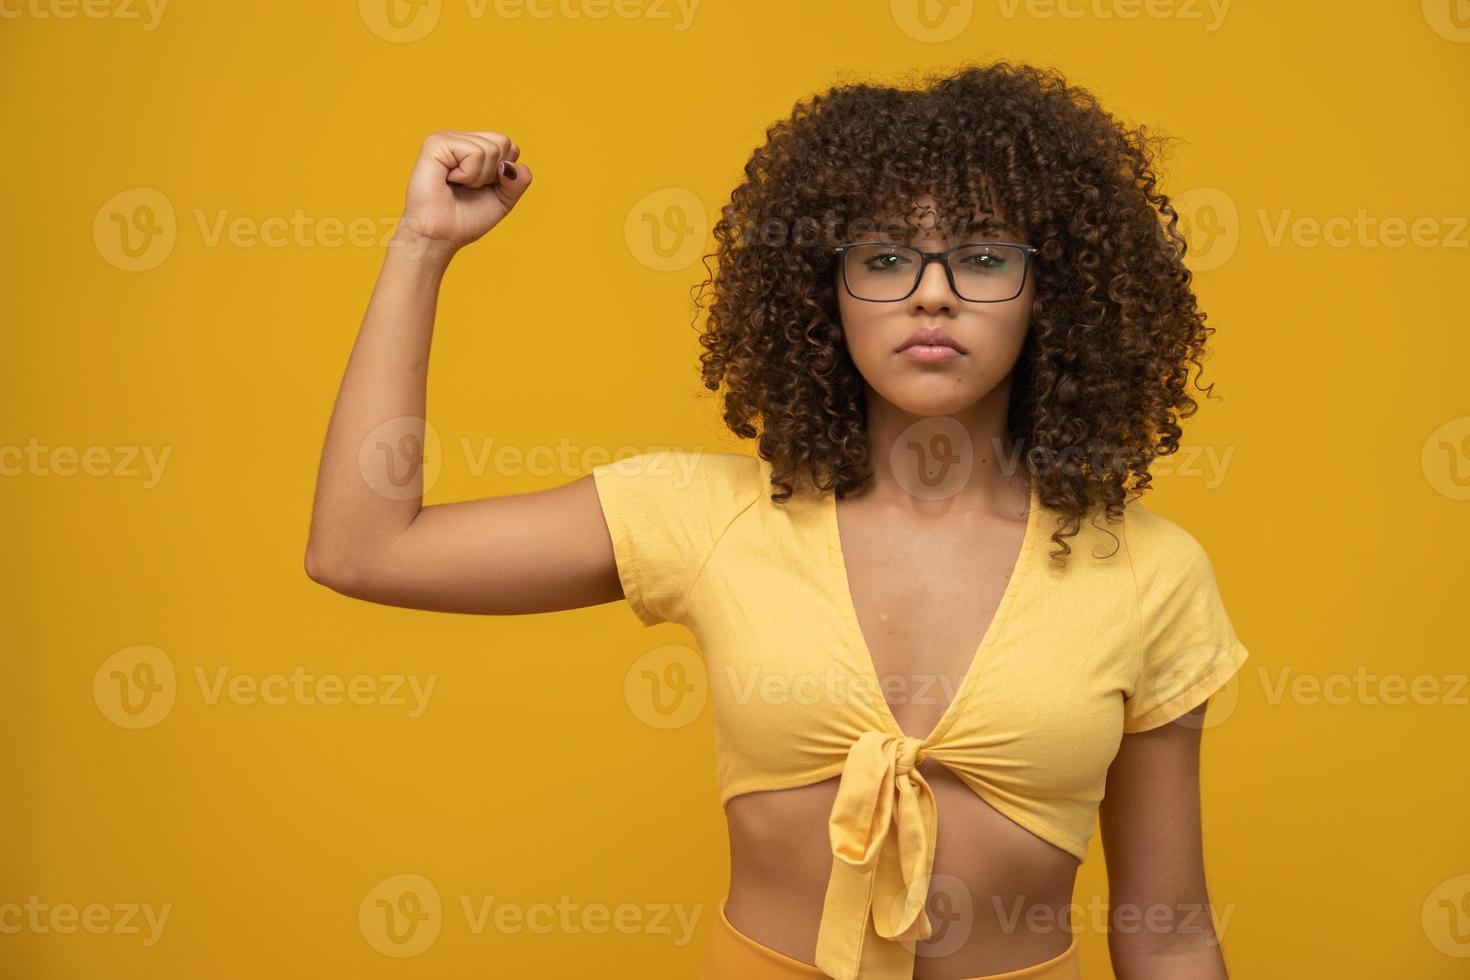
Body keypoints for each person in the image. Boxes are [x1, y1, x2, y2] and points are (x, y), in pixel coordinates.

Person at [306, 60, 1249, 980]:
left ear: (1053, 295)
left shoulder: (1151, 573)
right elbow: (364, 549)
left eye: (985, 256)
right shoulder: (706, 517)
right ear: (819, 291)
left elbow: (1166, 935)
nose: (932, 291)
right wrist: (420, 248)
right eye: (883, 258)